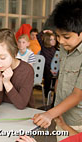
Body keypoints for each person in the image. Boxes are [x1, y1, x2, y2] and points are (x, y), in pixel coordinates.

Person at [33, 0, 82, 141]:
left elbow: (78, 94)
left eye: (66, 37)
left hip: (77, 123)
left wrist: (49, 114)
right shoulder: (64, 48)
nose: (60, 41)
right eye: (58, 36)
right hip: (61, 115)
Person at [0, 29, 34, 109]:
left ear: (14, 53)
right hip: (3, 113)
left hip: (24, 114)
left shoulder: (27, 70)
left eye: (2, 58)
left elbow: (21, 104)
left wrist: (7, 82)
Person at [37, 30, 58, 98]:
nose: (53, 41)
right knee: (48, 76)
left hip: (53, 69)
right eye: (51, 39)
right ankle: (46, 94)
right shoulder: (44, 47)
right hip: (44, 69)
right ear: (47, 40)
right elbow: (38, 36)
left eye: (54, 39)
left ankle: (54, 92)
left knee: (56, 77)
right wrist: (44, 31)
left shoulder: (55, 49)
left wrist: (54, 69)